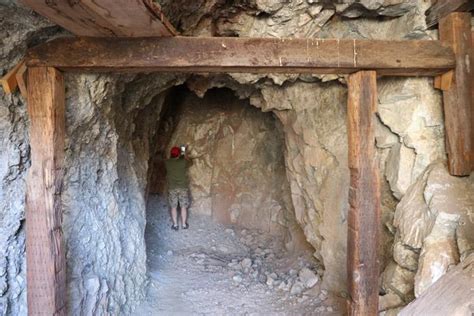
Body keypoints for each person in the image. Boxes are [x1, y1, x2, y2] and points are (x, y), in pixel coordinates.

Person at [164, 145, 191, 231]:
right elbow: (189, 162)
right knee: (183, 207)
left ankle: (175, 225)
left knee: (173, 207)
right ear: (179, 154)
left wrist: (178, 155)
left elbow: (171, 159)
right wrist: (183, 150)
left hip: (172, 188)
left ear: (171, 154)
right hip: (183, 187)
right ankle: (183, 224)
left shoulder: (167, 162)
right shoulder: (183, 162)